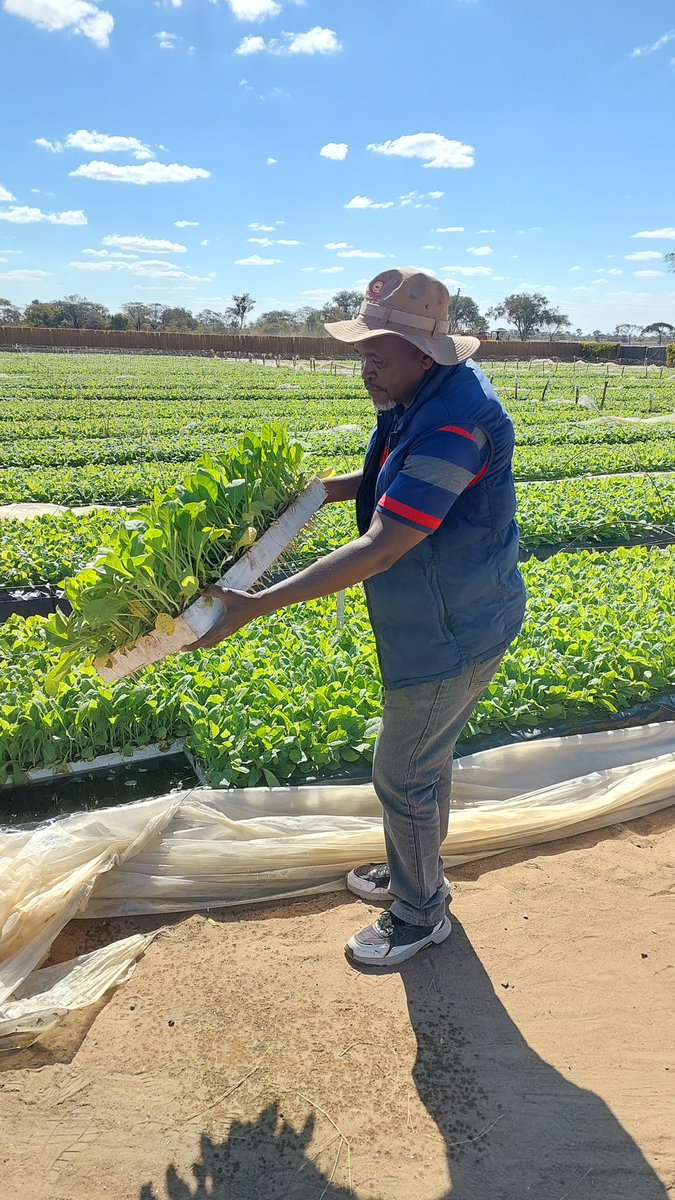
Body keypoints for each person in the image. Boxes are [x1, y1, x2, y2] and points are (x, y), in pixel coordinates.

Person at [185, 268, 526, 967]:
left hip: (453, 629)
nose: (364, 370)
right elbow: (387, 476)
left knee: (402, 773)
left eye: (376, 357)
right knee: (424, 763)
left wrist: (257, 604)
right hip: (438, 611)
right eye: (362, 355)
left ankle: (420, 911)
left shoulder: (455, 425)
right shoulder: (421, 391)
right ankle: (416, 870)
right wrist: (318, 494)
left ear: (424, 355)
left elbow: (385, 545)